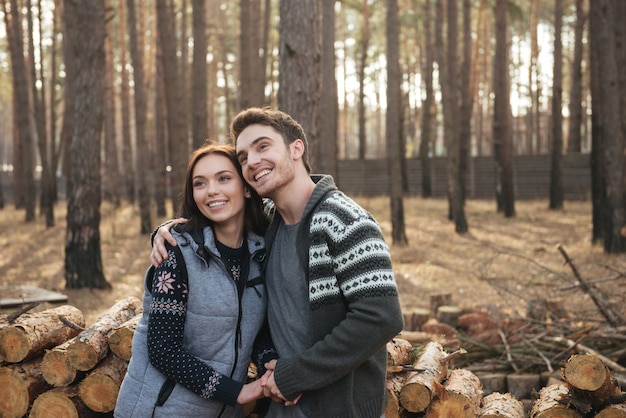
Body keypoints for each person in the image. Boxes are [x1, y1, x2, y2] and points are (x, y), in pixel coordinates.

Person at [151, 108, 404, 418]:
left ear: (296, 149)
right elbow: (216, 215)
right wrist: (166, 231)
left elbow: (381, 318)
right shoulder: (267, 226)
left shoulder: (345, 220)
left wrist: (296, 374)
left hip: (339, 408)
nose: (252, 161)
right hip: (281, 408)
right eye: (243, 157)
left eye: (263, 146)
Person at [115, 142, 278, 418]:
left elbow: (251, 326)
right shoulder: (176, 253)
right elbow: (163, 350)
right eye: (200, 183)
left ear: (247, 188)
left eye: (224, 178)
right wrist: (236, 392)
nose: (211, 190)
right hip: (158, 412)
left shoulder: (260, 253)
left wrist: (269, 361)